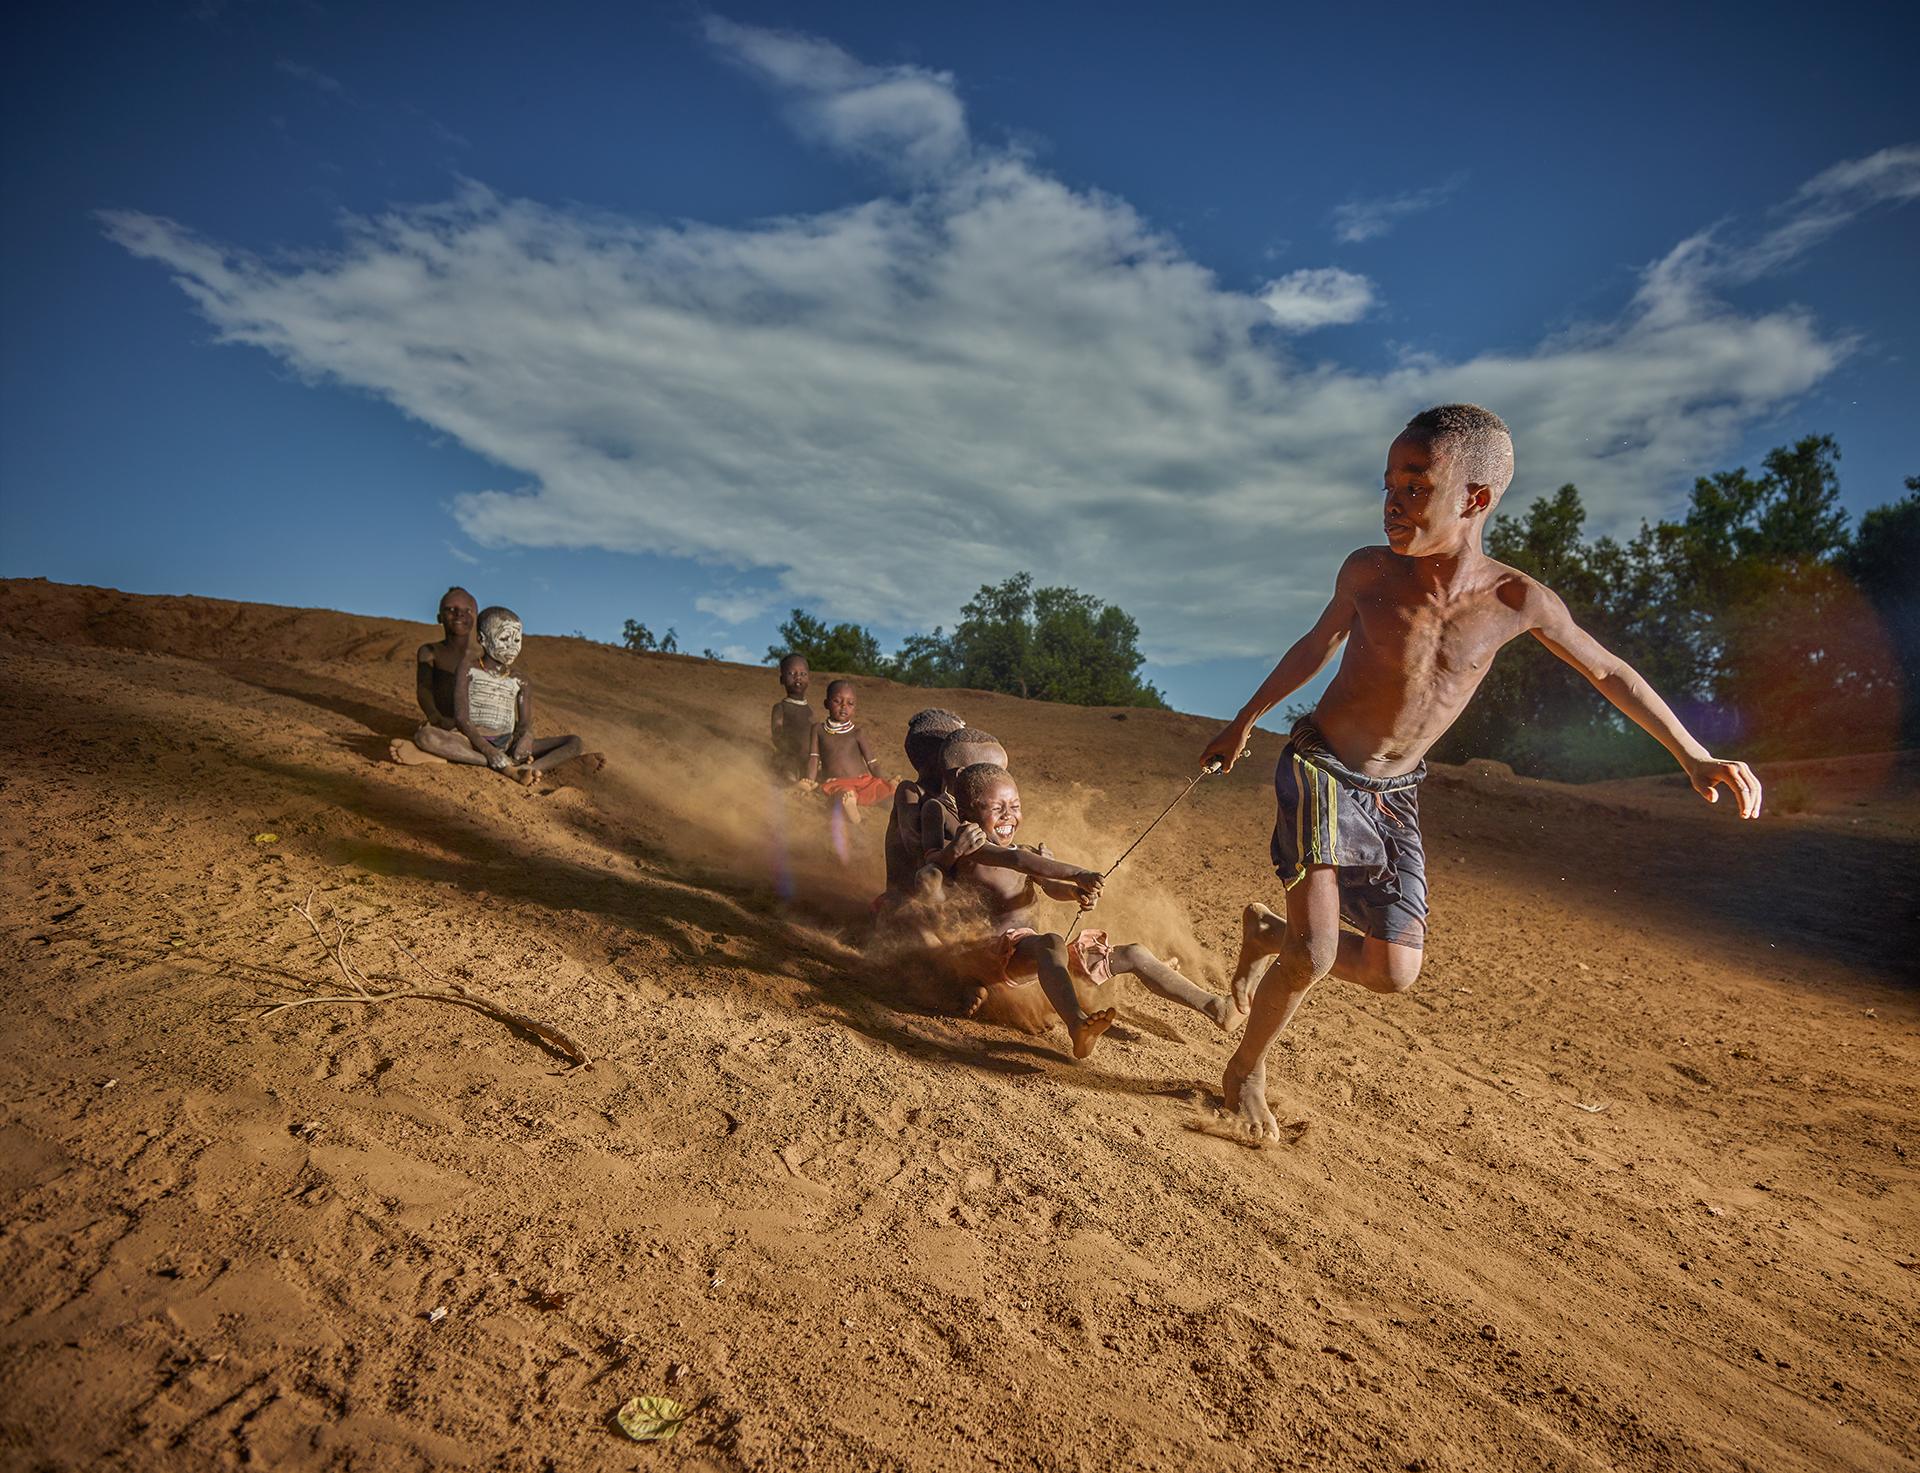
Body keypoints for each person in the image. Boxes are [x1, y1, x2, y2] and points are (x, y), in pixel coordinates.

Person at [1198, 404, 1763, 1140]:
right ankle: (1244, 1070)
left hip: (1397, 793)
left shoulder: (1517, 601)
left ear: (1474, 499)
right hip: (1324, 765)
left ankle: (1271, 935)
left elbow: (1608, 671)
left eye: (1414, 486)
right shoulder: (1368, 571)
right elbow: (1317, 645)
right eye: (1389, 485)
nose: (1392, 503)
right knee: (1321, 950)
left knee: (1394, 971)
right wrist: (1244, 718)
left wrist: (1693, 752)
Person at [925, 762, 1237, 1056]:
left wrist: (1076, 893)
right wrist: (1077, 873)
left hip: (1032, 958)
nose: (1009, 816)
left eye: (1015, 806)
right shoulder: (976, 849)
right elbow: (1020, 863)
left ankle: (1214, 1007)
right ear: (966, 813)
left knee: (1133, 954)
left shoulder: (1019, 850)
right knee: (1051, 943)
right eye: (996, 809)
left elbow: (1048, 885)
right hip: (990, 957)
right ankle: (1077, 1025)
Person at [412, 605, 589, 786]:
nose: (512, 647)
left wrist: (525, 738)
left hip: (508, 742)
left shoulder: (522, 681)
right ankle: (508, 767)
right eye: (504, 638)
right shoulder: (467, 668)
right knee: (426, 736)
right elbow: (462, 718)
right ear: (482, 639)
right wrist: (488, 751)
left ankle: (528, 769)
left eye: (517, 640)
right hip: (471, 740)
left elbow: (525, 723)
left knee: (574, 742)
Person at [880, 708, 966, 901]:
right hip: (908, 901)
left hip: (944, 900)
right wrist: (960, 846)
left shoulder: (955, 799)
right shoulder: (910, 791)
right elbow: (915, 847)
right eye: (958, 753)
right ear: (938, 757)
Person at [388, 587, 477, 766]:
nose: (459, 614)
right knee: (427, 736)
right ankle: (454, 755)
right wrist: (435, 716)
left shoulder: (485, 656)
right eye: (451, 609)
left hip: (480, 727)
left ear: (476, 617)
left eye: (467, 610)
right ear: (439, 618)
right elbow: (424, 688)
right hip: (445, 725)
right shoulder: (430, 652)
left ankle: (439, 757)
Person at [802, 680, 895, 822]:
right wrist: (809, 781)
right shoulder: (818, 729)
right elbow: (813, 758)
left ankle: (898, 808)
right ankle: (852, 813)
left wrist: (884, 781)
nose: (844, 706)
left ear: (854, 708)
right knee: (842, 796)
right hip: (838, 783)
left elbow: (873, 763)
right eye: (837, 701)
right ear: (826, 704)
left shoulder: (857, 733)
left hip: (864, 781)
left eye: (850, 703)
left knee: (888, 795)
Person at [769, 654, 814, 782]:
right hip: (789, 755)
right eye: (791, 673)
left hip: (809, 758)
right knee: (788, 769)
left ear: (809, 679)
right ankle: (792, 781)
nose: (797, 677)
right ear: (782, 679)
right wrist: (789, 748)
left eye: (803, 674)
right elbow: (776, 733)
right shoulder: (780, 707)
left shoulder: (810, 710)